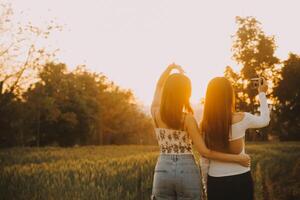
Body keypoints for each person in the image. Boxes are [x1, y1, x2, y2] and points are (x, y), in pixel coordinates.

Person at [151, 64, 250, 200]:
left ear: (167, 91)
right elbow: (205, 152)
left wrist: (170, 69)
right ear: (187, 93)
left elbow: (159, 86)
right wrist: (238, 158)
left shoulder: (156, 113)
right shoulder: (188, 119)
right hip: (186, 170)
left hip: (162, 170)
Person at [201, 77, 270, 200]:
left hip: (215, 180)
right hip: (240, 178)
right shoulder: (242, 118)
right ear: (229, 96)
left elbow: (205, 159)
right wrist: (262, 93)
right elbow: (265, 120)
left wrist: (206, 184)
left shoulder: (205, 125)